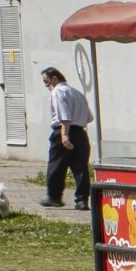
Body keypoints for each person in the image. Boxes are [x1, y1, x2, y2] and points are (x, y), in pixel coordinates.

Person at [41, 66, 92, 209]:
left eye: (46, 81)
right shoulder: (77, 93)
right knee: (80, 168)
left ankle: (54, 197)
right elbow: (88, 117)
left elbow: (64, 116)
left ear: (54, 79)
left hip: (63, 131)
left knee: (56, 166)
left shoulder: (58, 91)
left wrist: (64, 135)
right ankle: (82, 200)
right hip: (80, 133)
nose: (46, 85)